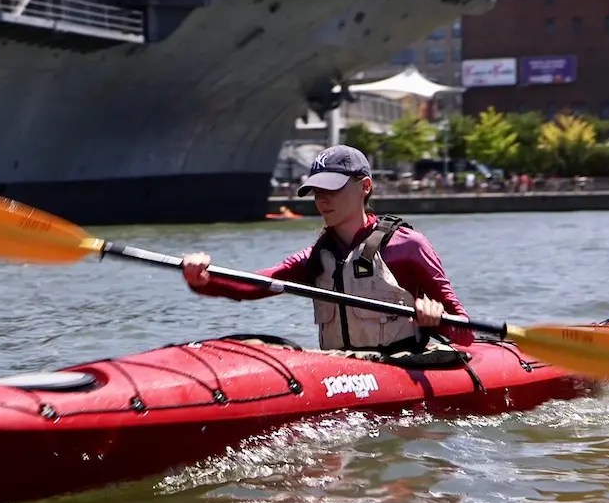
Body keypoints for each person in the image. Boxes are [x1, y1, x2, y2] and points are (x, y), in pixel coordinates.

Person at [181, 144, 472, 353]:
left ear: (365, 186)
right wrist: (203, 280)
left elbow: (465, 332)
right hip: (340, 373)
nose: (322, 200)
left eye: (332, 189)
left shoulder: (407, 246)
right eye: (317, 191)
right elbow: (253, 285)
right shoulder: (314, 258)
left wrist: (435, 320)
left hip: (400, 371)